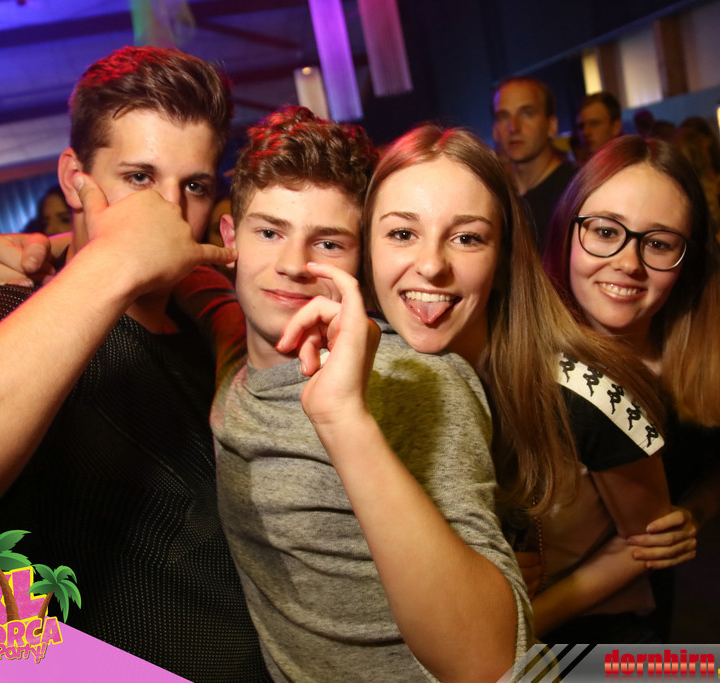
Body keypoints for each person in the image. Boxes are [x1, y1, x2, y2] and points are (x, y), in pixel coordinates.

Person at [0, 46, 269, 682]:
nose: (167, 213)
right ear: (73, 178)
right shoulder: (12, 307)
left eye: (194, 186)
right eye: (138, 178)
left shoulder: (211, 320)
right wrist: (113, 263)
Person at [284, 124, 694, 645]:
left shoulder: (585, 393)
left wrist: (511, 622)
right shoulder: (357, 369)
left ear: (502, 258)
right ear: (367, 250)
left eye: (467, 238)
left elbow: (651, 543)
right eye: (402, 233)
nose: (431, 266)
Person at [199, 106, 530, 681]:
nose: (292, 265)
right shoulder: (232, 350)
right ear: (230, 239)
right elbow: (188, 283)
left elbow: (491, 662)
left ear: (363, 257)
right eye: (269, 232)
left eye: (328, 243)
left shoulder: (413, 378)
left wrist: (343, 417)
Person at [543, 135, 720, 635]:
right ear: (567, 231)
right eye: (605, 231)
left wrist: (691, 513)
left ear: (686, 258)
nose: (629, 263)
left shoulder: (711, 356)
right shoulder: (519, 349)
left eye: (658, 243)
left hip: (633, 624)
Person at [491, 76, 575, 248]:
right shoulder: (495, 198)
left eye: (527, 113)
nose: (513, 127)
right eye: (503, 116)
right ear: (495, 131)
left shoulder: (576, 191)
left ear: (551, 125)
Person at [574, 92, 622, 165]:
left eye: (594, 123)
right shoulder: (580, 170)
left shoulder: (633, 167)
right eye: (581, 126)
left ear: (616, 127)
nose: (585, 132)